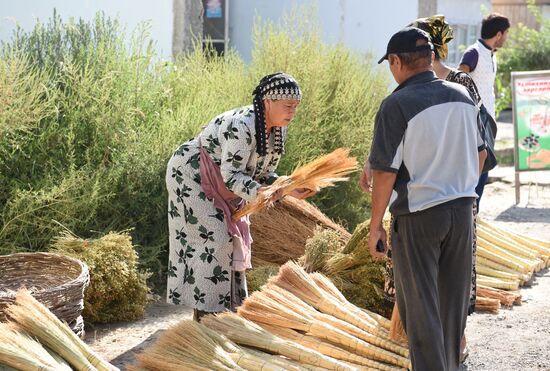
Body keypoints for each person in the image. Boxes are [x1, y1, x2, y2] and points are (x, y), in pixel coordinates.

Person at [364, 27, 487, 371]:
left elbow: (385, 172)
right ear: (431, 58)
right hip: (462, 214)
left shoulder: (397, 104)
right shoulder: (462, 97)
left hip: (419, 218)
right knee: (451, 312)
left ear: (396, 61)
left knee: (421, 314)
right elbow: (481, 154)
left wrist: (376, 226)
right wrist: (457, 184)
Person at [165, 72, 312, 322]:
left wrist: (287, 186)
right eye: (288, 106)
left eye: (295, 107)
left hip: (220, 182)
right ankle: (206, 318)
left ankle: (229, 314)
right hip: (191, 175)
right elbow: (232, 176)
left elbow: (262, 172)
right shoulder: (242, 125)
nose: (292, 112)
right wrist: (265, 193)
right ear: (268, 102)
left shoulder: (278, 130)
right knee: (215, 237)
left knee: (231, 240)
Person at [459, 13, 510, 206]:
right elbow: (459, 78)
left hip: (488, 119)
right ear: (499, 34)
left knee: (484, 169)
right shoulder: (474, 52)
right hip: (476, 119)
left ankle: (473, 215)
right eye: (506, 33)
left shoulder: (489, 53)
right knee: (478, 168)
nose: (506, 38)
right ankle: (470, 214)